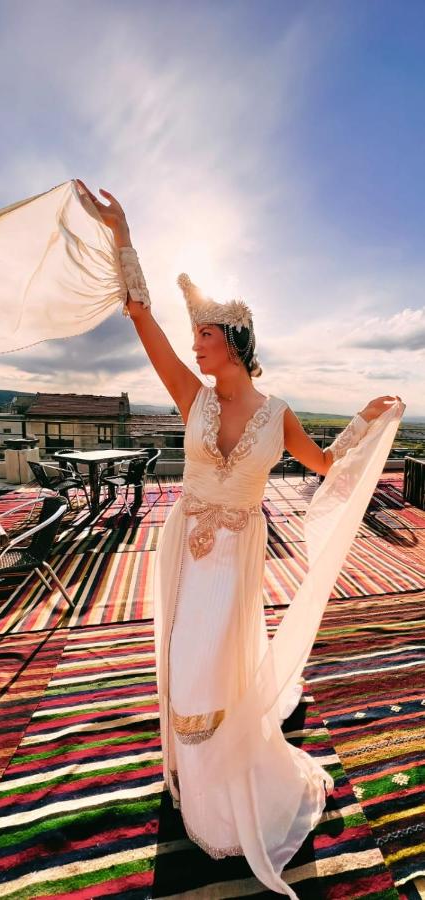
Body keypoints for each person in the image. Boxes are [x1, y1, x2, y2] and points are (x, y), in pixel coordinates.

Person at [76, 181, 403, 898]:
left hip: (238, 553)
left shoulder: (278, 412)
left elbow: (326, 465)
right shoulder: (190, 396)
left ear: (235, 341)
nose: (194, 345)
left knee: (214, 670)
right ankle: (198, 788)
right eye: (194, 335)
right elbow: (140, 314)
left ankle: (227, 797)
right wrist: (122, 233)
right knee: (185, 665)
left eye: (205, 335)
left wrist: (364, 421)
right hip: (185, 547)